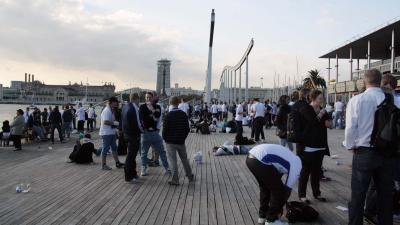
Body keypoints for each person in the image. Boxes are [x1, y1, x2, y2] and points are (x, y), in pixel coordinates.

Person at [345, 69, 395, 225]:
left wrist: (351, 145)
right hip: (387, 153)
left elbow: (351, 128)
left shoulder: (357, 100)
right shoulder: (391, 99)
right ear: (380, 81)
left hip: (364, 152)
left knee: (358, 196)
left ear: (364, 81)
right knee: (385, 196)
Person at [364, 74, 400, 223]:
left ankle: (369, 210)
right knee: (390, 183)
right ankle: (377, 210)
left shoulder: (369, 99)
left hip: (373, 145)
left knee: (374, 183)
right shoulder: (394, 99)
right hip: (391, 147)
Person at [246, 144, 302, 225]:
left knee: (265, 187)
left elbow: (274, 179)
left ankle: (262, 216)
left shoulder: (291, 158)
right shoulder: (297, 166)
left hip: (250, 157)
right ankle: (271, 220)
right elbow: (285, 191)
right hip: (261, 159)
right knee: (279, 191)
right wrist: (279, 210)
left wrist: (279, 208)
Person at [298, 90, 331, 203]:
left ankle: (317, 193)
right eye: (320, 98)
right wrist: (322, 113)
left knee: (316, 172)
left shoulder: (323, 110)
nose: (322, 100)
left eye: (322, 98)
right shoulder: (306, 109)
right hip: (308, 146)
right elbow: (313, 122)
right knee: (305, 172)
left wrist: (328, 117)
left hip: (321, 145)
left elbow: (329, 125)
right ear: (313, 98)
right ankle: (302, 195)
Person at [162, 96, 194, 185]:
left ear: (170, 103)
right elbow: (187, 128)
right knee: (184, 159)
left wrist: (165, 139)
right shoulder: (183, 114)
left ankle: (175, 179)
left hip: (170, 142)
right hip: (180, 141)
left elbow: (164, 130)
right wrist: (183, 137)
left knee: (173, 160)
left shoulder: (168, 115)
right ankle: (190, 175)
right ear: (178, 103)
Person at [139, 92, 169, 176]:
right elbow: (144, 119)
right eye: (147, 97)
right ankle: (143, 168)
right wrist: (153, 115)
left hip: (155, 133)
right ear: (145, 98)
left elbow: (158, 116)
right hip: (145, 133)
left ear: (152, 98)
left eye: (150, 97)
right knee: (144, 152)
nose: (148, 99)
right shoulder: (142, 107)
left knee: (162, 151)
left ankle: (167, 168)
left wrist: (152, 111)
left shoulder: (157, 106)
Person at [99, 97, 125, 170]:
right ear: (111, 102)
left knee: (114, 148)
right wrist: (114, 123)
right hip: (106, 133)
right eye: (115, 102)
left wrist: (115, 129)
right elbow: (105, 122)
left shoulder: (111, 110)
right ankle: (103, 165)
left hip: (111, 132)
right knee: (105, 149)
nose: (117, 104)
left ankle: (117, 162)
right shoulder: (106, 111)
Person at [122, 93, 143, 182]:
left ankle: (133, 173)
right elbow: (138, 124)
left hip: (126, 134)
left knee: (131, 155)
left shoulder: (125, 107)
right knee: (130, 157)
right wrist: (143, 130)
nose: (139, 102)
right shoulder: (134, 108)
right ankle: (128, 177)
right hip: (133, 135)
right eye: (139, 99)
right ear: (136, 99)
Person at [290, 88, 311, 156]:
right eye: (310, 95)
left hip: (297, 133)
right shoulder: (306, 106)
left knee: (299, 153)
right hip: (305, 133)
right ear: (306, 95)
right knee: (306, 154)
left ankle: (299, 165)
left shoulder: (294, 105)